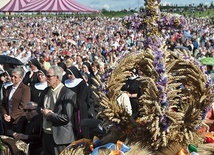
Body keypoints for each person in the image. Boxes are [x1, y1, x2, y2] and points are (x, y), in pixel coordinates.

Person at [39, 65, 76, 155]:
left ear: (57, 77)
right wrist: (41, 110)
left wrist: (48, 115)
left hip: (60, 138)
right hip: (46, 134)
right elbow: (39, 107)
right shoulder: (45, 91)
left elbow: (66, 117)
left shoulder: (68, 94)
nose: (46, 79)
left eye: (49, 76)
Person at [0, 67, 30, 134]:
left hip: (18, 120)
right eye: (12, 76)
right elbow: (3, 104)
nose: (12, 78)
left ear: (21, 78)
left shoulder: (25, 89)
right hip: (7, 120)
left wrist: (12, 116)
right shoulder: (8, 88)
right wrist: (5, 114)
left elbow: (23, 106)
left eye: (15, 77)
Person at [65, 66, 90, 139]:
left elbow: (81, 97)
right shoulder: (66, 82)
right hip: (69, 109)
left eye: (70, 74)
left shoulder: (81, 83)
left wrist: (74, 105)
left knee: (80, 128)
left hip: (79, 108)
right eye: (68, 74)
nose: (69, 76)